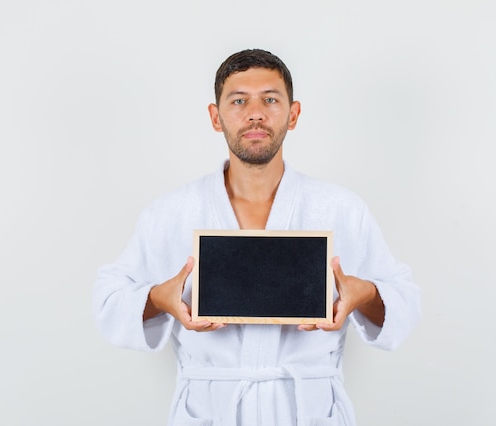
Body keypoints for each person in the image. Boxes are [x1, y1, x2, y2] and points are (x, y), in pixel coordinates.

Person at [92, 48, 421, 426]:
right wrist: (158, 299)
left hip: (308, 409)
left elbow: (405, 302)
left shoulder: (341, 208)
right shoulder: (171, 212)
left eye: (270, 99)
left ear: (293, 114)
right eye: (238, 100)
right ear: (216, 117)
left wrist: (362, 294)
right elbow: (108, 301)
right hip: (209, 409)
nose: (255, 113)